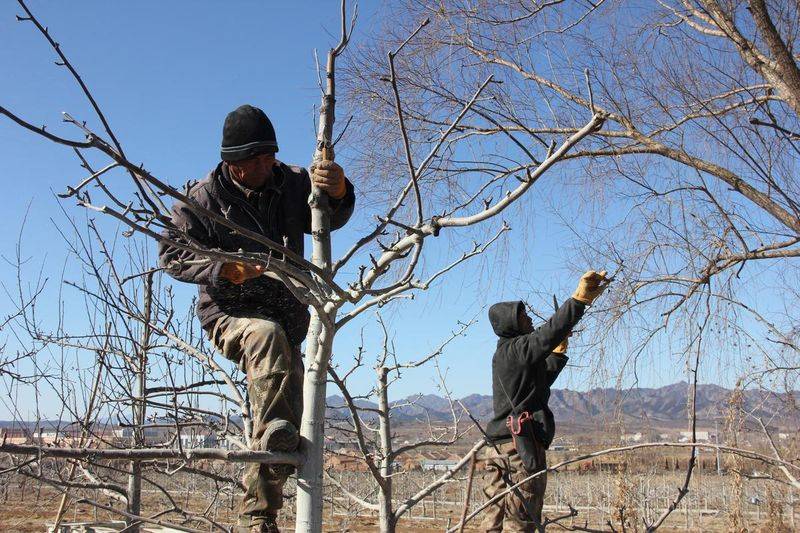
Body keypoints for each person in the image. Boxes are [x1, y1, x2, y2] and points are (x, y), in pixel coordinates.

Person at [158, 104, 355, 533]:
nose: (268, 165)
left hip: (289, 320)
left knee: (287, 420)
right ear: (232, 163)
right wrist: (222, 268)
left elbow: (329, 217)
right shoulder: (202, 199)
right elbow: (172, 256)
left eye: (270, 156)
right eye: (256, 160)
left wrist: (338, 190)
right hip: (232, 316)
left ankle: (262, 515)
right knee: (266, 341)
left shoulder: (291, 182)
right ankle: (260, 507)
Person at [480, 271, 610, 532]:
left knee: (493, 515)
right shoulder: (518, 348)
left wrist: (559, 353)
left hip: (499, 446)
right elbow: (549, 333)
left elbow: (539, 383)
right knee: (521, 516)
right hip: (519, 447)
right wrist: (579, 299)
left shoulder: (508, 354)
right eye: (523, 316)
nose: (529, 319)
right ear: (511, 324)